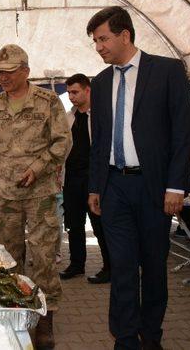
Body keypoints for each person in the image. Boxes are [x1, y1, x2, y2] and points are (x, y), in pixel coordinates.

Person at [86, 6, 190, 350]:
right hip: (114, 186)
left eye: (103, 38)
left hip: (154, 187)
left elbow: (182, 132)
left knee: (153, 265)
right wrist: (95, 186)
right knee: (121, 266)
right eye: (95, 41)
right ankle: (126, 337)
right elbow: (100, 138)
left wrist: (175, 185)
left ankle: (152, 335)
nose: (99, 47)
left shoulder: (167, 71)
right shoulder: (100, 83)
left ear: (125, 35)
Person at [0, 44, 71, 348]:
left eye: (10, 72)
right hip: (4, 193)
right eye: (0, 72)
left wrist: (39, 167)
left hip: (40, 192)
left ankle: (45, 319)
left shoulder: (48, 101)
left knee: (43, 256)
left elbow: (62, 142)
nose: (3, 77)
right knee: (8, 256)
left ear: (26, 71)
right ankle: (14, 314)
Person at [59, 73, 110, 285]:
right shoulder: (69, 117)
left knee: (100, 225)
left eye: (75, 92)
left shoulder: (100, 114)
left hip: (94, 178)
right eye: (69, 92)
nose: (71, 96)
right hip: (71, 179)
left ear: (87, 90)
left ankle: (110, 267)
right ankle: (77, 264)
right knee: (74, 224)